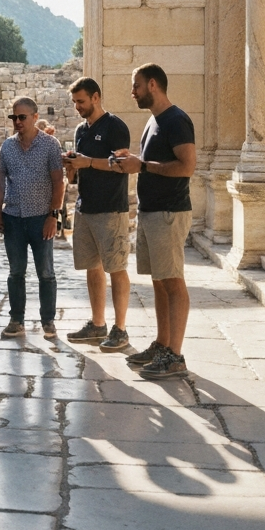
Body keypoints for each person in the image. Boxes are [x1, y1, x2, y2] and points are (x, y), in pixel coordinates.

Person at [111, 63, 196, 379]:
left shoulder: (176, 120)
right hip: (151, 212)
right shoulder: (154, 121)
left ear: (152, 85)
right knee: (160, 281)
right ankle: (162, 345)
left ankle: (175, 355)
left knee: (173, 280)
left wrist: (142, 165)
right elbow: (150, 162)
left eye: (136, 86)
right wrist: (131, 159)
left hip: (169, 213)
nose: (132, 92)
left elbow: (186, 166)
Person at [63, 77, 133, 352]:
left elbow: (123, 164)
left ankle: (121, 329)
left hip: (111, 209)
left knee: (116, 268)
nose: (77, 107)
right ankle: (98, 323)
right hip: (86, 207)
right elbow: (78, 173)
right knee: (93, 269)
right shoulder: (81, 130)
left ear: (96, 97)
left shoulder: (116, 127)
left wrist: (88, 162)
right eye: (75, 103)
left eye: (81, 101)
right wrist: (72, 165)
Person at [0, 96, 65, 339]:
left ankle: (48, 321)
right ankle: (16, 320)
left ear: (35, 117)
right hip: (13, 216)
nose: (17, 122)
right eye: (14, 117)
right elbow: (0, 184)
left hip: (40, 218)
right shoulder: (7, 147)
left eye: (22, 117)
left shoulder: (50, 145)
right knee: (16, 272)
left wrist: (53, 216)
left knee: (45, 272)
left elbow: (59, 182)